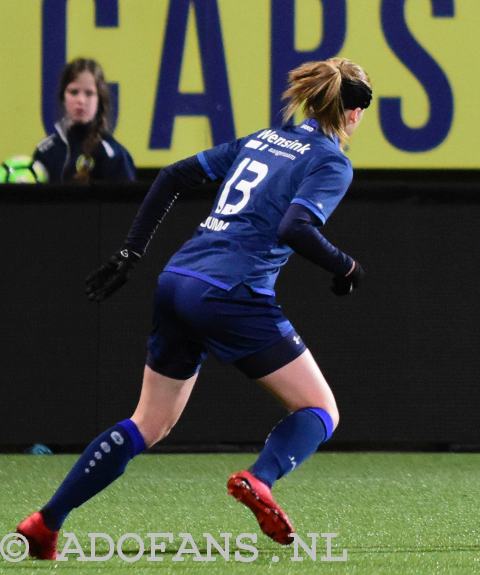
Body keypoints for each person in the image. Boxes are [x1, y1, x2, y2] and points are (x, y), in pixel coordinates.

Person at [16, 57, 372, 559]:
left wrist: (130, 252)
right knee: (321, 409)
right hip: (233, 291)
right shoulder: (331, 161)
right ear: (354, 114)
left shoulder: (262, 140)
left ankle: (44, 523)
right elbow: (295, 228)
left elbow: (172, 176)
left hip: (178, 279)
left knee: (148, 423)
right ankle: (259, 478)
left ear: (311, 99)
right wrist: (345, 266)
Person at [33, 58, 136, 183]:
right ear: (63, 97)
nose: (81, 100)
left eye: (89, 93)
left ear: (100, 99)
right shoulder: (46, 152)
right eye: (74, 92)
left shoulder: (114, 155)